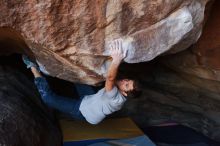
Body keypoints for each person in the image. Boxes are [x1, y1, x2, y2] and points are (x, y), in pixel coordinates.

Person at [23, 39, 141, 124]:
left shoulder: (116, 99)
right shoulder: (120, 90)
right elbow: (112, 76)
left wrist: (116, 60)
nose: (124, 81)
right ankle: (53, 64)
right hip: (90, 98)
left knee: (48, 98)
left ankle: (32, 67)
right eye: (127, 80)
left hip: (83, 112)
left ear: (125, 93)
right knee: (78, 76)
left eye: (126, 85)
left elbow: (110, 78)